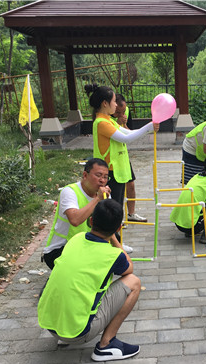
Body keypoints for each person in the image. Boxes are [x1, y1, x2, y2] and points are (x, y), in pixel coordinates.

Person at [38, 199, 141, 362]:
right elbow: (129, 267)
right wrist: (115, 239)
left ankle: (64, 331)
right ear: (118, 228)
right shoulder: (113, 255)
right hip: (79, 333)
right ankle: (106, 345)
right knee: (133, 282)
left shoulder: (76, 239)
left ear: (91, 221)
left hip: (49, 324)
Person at [84, 83, 159, 211]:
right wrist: (149, 127)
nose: (116, 105)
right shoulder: (102, 122)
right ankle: (113, 231)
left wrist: (149, 128)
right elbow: (126, 138)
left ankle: (115, 230)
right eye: (113, 101)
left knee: (116, 206)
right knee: (112, 208)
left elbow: (128, 133)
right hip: (110, 170)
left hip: (115, 170)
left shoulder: (108, 120)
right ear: (105, 103)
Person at [42, 158, 111, 269]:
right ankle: (58, 282)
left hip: (87, 246)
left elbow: (109, 227)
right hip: (61, 250)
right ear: (85, 175)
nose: (102, 180)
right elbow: (75, 220)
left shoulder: (104, 195)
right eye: (98, 175)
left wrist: (120, 251)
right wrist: (97, 199)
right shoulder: (70, 191)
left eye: (105, 177)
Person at [111, 94, 146, 223]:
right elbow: (120, 135)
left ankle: (131, 213)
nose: (121, 113)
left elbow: (129, 132)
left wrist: (123, 124)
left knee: (130, 184)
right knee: (117, 191)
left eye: (123, 111)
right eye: (117, 112)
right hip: (112, 159)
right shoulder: (105, 119)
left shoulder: (126, 112)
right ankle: (117, 219)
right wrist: (118, 124)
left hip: (123, 155)